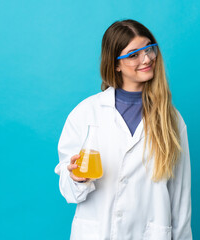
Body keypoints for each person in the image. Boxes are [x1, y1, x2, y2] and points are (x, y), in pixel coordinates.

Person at [55, 19, 192, 240]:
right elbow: (69, 192)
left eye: (149, 48)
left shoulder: (172, 119)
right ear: (115, 64)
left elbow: (181, 197)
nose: (146, 59)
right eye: (133, 54)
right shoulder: (86, 113)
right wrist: (76, 178)